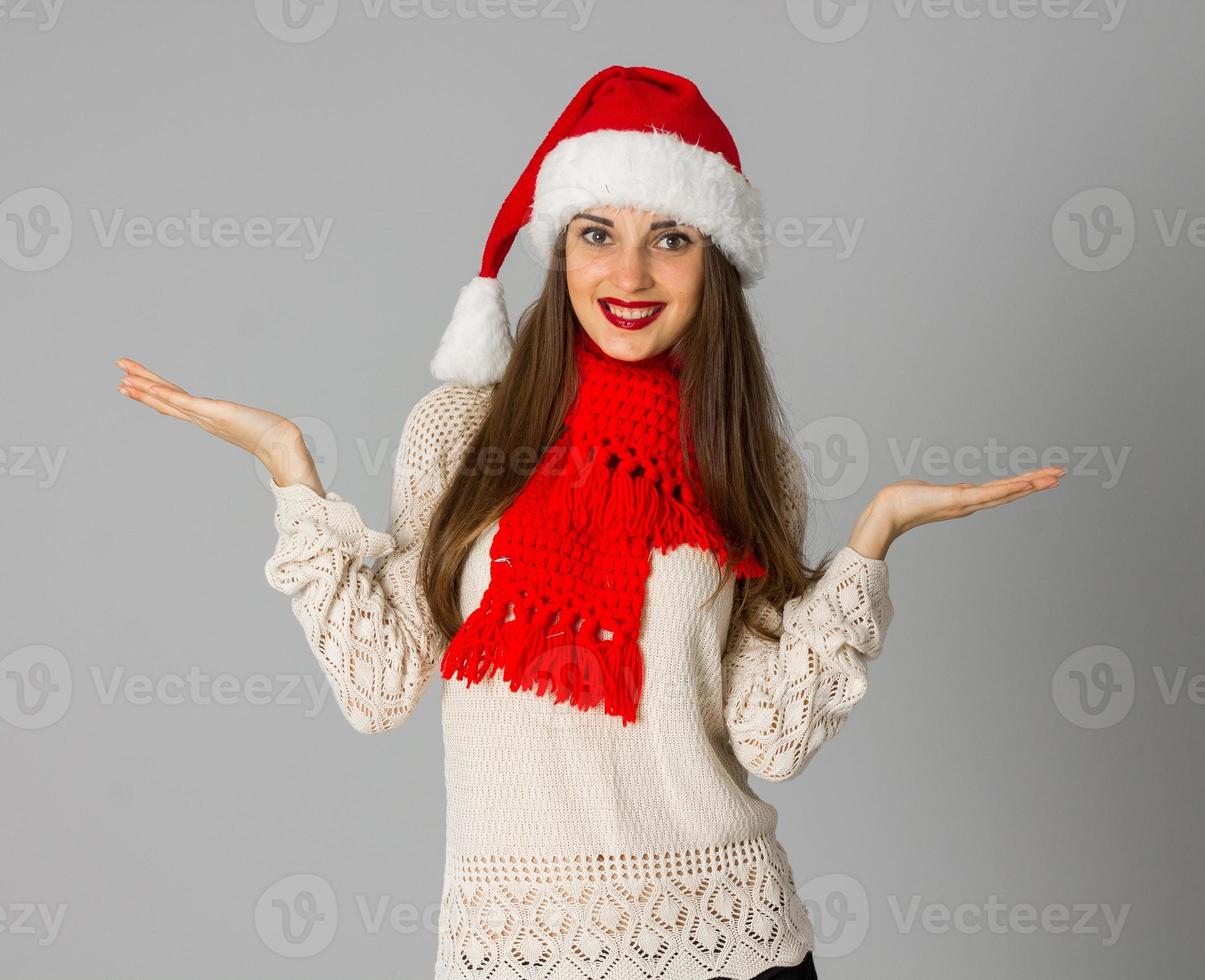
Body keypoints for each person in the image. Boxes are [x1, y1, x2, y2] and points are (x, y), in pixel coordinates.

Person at [117, 65, 1060, 980]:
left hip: (728, 942)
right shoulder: (462, 434)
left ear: (714, 263)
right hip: (515, 947)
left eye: (673, 238)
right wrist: (290, 472)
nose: (631, 273)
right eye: (598, 232)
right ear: (560, 248)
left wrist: (871, 542)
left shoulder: (743, 459)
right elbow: (379, 686)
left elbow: (770, 737)